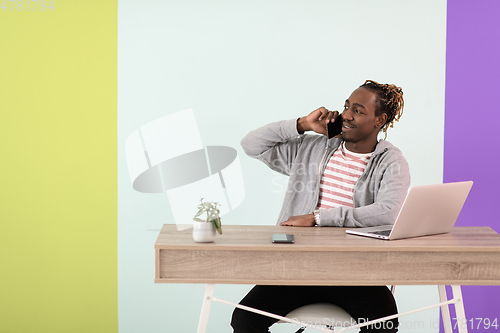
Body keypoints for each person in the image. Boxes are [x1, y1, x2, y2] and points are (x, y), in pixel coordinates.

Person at [232, 80, 410, 333]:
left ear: (379, 120)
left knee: (384, 325)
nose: (346, 115)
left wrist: (318, 218)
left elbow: (388, 212)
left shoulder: (391, 162)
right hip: (298, 266)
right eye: (347, 106)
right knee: (245, 319)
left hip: (356, 272)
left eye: (358, 111)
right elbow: (251, 144)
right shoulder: (314, 148)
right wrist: (302, 125)